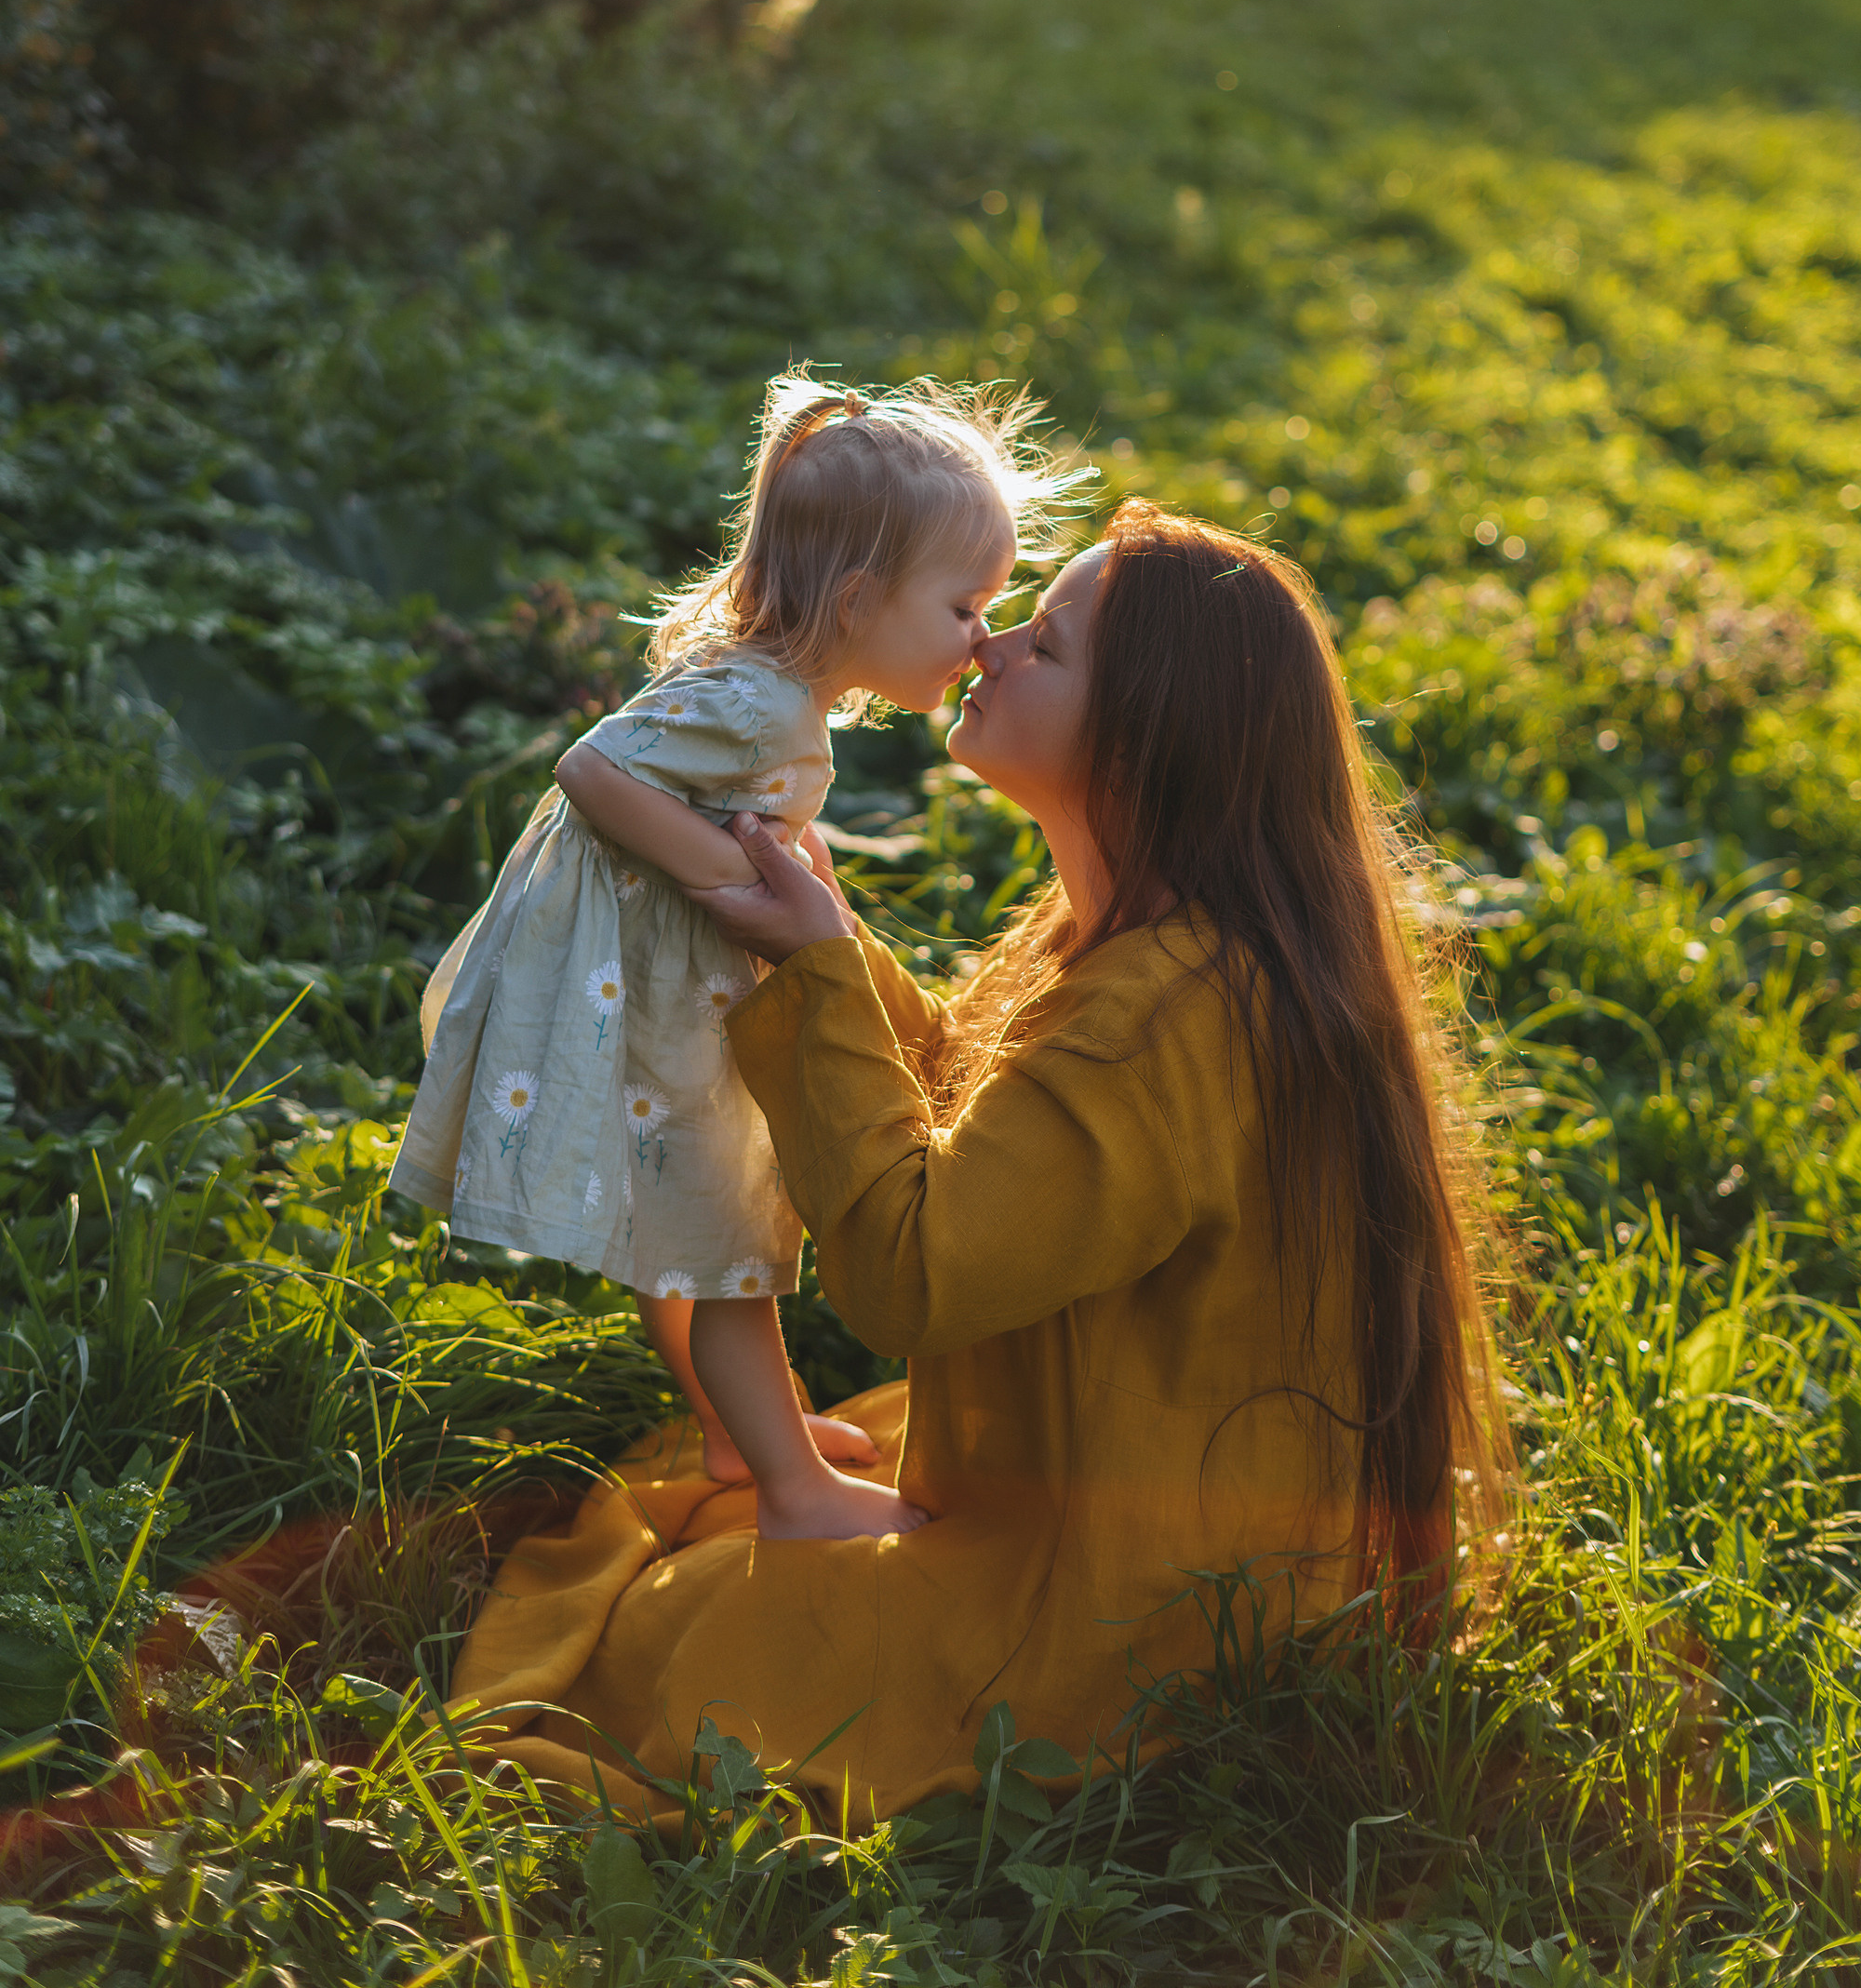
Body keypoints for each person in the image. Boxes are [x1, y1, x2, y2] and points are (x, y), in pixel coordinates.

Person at [444, 500, 1506, 1828]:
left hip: (1133, 1610)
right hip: (1135, 1504)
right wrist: (823, 944)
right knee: (735, 1521)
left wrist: (819, 972)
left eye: (1044, 645)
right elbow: (986, 1111)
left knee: (690, 1645)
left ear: (1143, 738)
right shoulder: (1149, 940)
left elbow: (916, 1275)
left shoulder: (1166, 1017)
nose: (991, 645)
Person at [389, 374, 1085, 1541]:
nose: (982, 640)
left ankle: (736, 1429)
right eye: (965, 607)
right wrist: (725, 874)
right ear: (858, 600)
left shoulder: (767, 697)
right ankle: (791, 1490)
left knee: (686, 1232)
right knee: (727, 1254)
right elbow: (591, 770)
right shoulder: (761, 705)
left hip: (660, 988)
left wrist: (781, 855)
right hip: (666, 996)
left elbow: (690, 793)